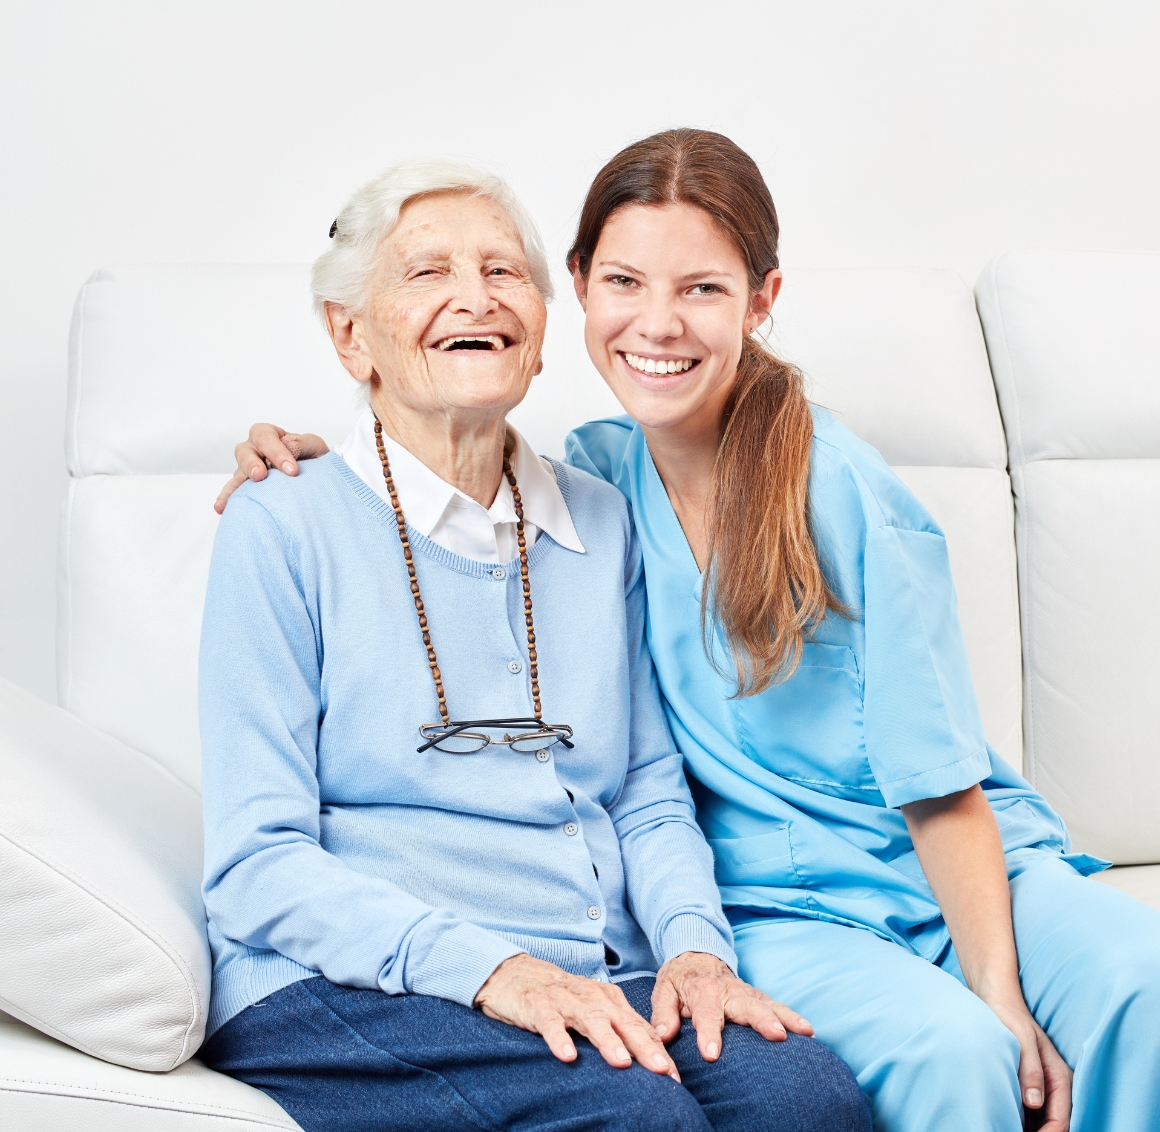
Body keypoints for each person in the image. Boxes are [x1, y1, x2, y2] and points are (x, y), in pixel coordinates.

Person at [225, 131, 1160, 1132]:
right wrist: (316, 455)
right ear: (579, 290)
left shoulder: (817, 488)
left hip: (950, 867)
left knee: (1140, 982)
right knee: (953, 1053)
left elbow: (938, 785)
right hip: (774, 900)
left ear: (760, 301)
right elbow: (440, 448)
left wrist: (999, 987)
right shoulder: (587, 483)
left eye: (703, 289)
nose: (658, 323)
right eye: (624, 279)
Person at [197, 158, 870, 1132]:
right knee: (639, 1122)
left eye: (504, 272)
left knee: (805, 1097)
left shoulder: (598, 519)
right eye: (427, 272)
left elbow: (643, 786)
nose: (476, 296)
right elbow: (256, 862)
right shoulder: (284, 521)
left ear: (542, 327)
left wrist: (692, 949)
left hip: (593, 971)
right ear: (351, 334)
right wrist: (490, 970)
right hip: (345, 984)